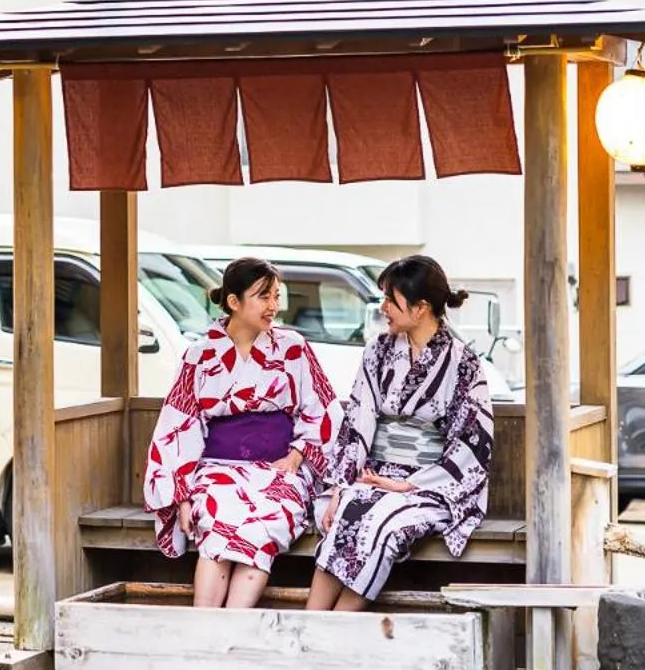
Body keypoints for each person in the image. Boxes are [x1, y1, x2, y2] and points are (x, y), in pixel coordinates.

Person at [144, 257, 337, 608]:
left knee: (263, 527)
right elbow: (178, 428)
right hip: (217, 468)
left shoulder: (293, 348)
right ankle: (206, 631)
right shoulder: (199, 356)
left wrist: (297, 455)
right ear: (233, 302)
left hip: (280, 467)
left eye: (276, 296)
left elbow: (321, 410)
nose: (273, 306)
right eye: (263, 296)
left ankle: (231, 631)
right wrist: (183, 495)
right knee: (217, 524)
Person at [307, 254, 494, 611]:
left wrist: (410, 485)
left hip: (429, 485)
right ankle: (310, 624)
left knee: (384, 522)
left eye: (391, 300)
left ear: (421, 307)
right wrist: (341, 486)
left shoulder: (463, 364)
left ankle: (331, 628)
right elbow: (357, 422)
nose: (384, 308)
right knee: (347, 511)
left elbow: (472, 443)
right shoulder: (377, 352)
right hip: (375, 475)